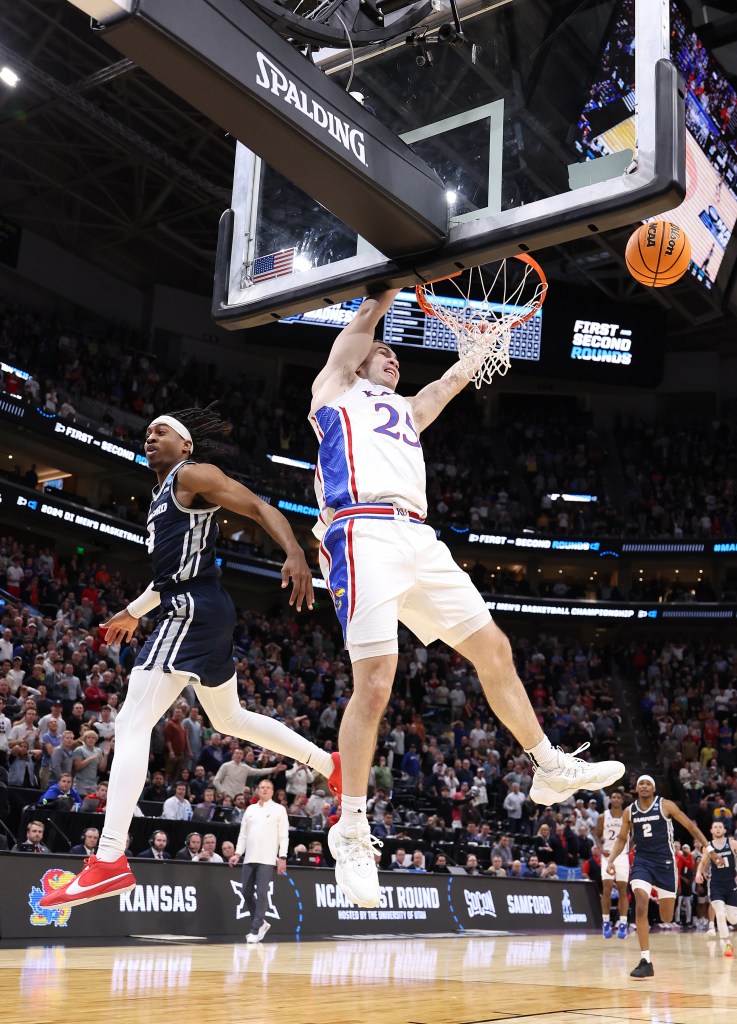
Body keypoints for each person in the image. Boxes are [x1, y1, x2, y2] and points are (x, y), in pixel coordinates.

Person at [309, 290, 624, 908]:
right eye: (383, 354)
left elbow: (446, 386)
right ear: (357, 364)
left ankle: (547, 765)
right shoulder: (335, 391)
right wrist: (393, 287)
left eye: (397, 357)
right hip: (360, 528)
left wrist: (477, 349)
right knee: (376, 681)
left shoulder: (404, 413)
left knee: (494, 649)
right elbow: (360, 325)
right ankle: (349, 828)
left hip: (418, 535)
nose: (392, 360)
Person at [41, 405, 341, 910]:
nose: (150, 437)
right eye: (147, 432)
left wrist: (294, 552)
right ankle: (325, 763)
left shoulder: (192, 474)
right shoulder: (159, 498)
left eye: (162, 431)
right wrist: (132, 612)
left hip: (193, 607)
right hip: (197, 605)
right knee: (229, 716)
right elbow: (168, 578)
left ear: (185, 446)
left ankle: (109, 858)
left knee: (133, 722)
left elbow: (259, 506)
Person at [607, 775, 709, 979]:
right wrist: (611, 860)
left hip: (666, 864)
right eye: (640, 784)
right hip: (642, 862)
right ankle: (645, 960)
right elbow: (621, 838)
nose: (644, 786)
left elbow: (689, 826)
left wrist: (708, 846)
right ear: (636, 789)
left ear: (653, 788)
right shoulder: (630, 811)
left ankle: (660, 923)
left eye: (647, 784)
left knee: (666, 917)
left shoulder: (666, 805)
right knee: (641, 903)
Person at [229, 778, 288, 943]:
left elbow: (284, 836)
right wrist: (238, 853)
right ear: (257, 790)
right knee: (246, 892)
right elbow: (243, 834)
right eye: (262, 787)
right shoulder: (250, 810)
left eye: (268, 787)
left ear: (272, 791)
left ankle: (255, 929)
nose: (264, 790)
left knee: (262, 893)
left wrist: (282, 857)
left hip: (268, 859)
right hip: (249, 858)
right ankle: (261, 923)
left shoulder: (279, 810)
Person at [695, 821, 737, 958]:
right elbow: (703, 862)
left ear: (724, 830)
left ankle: (726, 927)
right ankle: (727, 943)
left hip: (731, 885)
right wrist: (698, 873)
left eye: (720, 827)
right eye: (715, 827)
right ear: (711, 831)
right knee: (719, 913)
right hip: (716, 884)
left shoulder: (732, 843)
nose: (718, 829)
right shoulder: (708, 846)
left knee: (733, 919)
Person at [596, 790, 630, 939]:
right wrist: (601, 849)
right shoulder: (603, 816)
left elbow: (634, 836)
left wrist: (629, 849)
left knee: (623, 890)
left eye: (618, 797)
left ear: (622, 800)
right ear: (610, 799)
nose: (615, 799)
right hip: (608, 855)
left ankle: (623, 923)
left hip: (622, 856)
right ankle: (606, 922)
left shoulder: (628, 816)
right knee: (607, 888)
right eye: (613, 797)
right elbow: (597, 836)